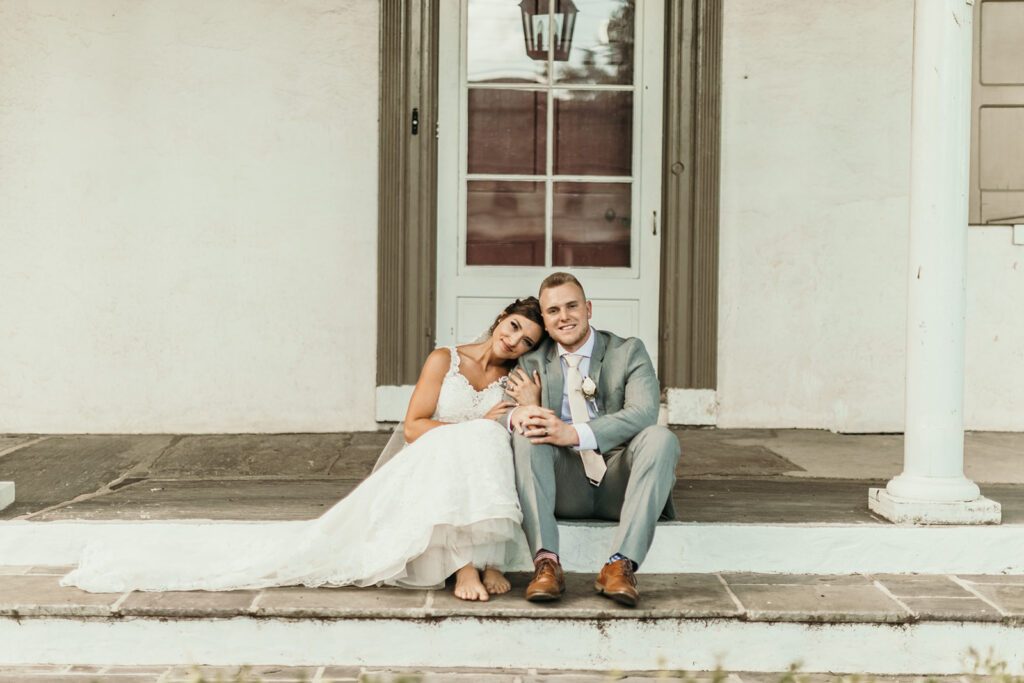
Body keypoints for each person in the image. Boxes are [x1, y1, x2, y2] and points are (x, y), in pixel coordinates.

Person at [62, 298, 546, 602]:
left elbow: (518, 428)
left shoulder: (512, 379)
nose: (514, 341)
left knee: (489, 437)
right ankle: (465, 565)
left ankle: (488, 560)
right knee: (475, 434)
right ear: (500, 317)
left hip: (463, 466)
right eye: (514, 328)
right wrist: (469, 427)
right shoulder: (445, 358)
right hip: (427, 460)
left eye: (525, 341)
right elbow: (414, 427)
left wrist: (526, 402)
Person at [504, 273, 679, 607]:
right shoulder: (531, 360)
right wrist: (528, 409)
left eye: (572, 306)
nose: (564, 316)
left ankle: (620, 565)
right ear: (545, 320)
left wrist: (575, 433)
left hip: (620, 480)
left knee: (661, 438)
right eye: (553, 311)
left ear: (588, 308)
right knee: (527, 433)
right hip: (563, 484)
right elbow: (500, 413)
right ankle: (546, 564)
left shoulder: (628, 351)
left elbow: (644, 412)